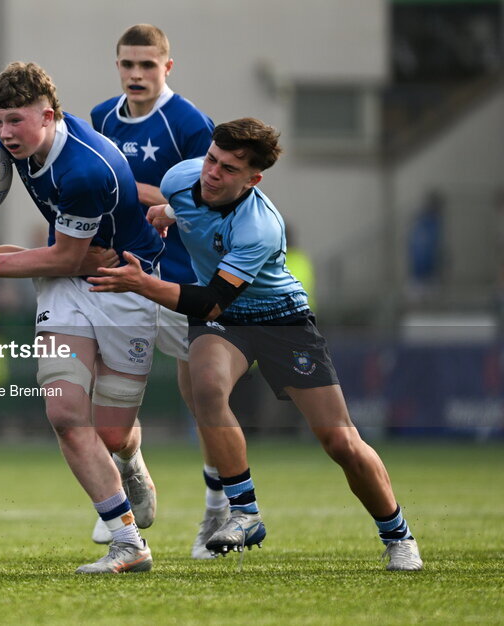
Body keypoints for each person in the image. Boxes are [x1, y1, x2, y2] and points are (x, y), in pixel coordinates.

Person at [88, 118, 423, 570]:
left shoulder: (260, 227)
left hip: (281, 321)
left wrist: (142, 283)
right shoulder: (181, 178)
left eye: (228, 169)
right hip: (229, 324)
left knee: (340, 441)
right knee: (206, 388)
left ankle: (398, 535)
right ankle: (245, 512)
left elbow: (209, 301)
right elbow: (183, 209)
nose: (212, 172)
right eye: (211, 159)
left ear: (253, 179)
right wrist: (168, 213)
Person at [0, 61, 163, 574]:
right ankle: (128, 544)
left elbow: (70, 257)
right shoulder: (14, 146)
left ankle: (131, 465)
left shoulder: (84, 171)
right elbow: (62, 264)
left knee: (114, 433)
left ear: (48, 116)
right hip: (66, 288)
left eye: (15, 121)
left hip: (122, 286)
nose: (4, 134)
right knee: (64, 412)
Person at [89, 24, 226, 557]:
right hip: (121, 272)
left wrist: (133, 188)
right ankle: (129, 479)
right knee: (107, 396)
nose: (137, 74)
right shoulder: (101, 117)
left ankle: (216, 511)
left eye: (148, 65)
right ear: (117, 66)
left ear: (168, 67)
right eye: (128, 64)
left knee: (204, 398)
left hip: (181, 277)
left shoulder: (189, 124)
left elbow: (210, 198)